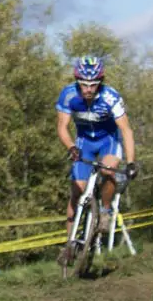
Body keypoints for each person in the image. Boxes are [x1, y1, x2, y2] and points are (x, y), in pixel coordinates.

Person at [56, 56, 138, 262]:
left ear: (100, 82)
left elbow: (126, 131)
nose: (88, 89)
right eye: (84, 85)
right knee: (76, 191)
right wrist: (71, 147)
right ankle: (69, 245)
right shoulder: (68, 95)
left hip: (108, 140)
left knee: (108, 170)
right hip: (84, 142)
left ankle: (105, 211)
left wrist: (130, 162)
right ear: (77, 81)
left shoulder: (111, 97)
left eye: (93, 85)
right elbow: (62, 127)